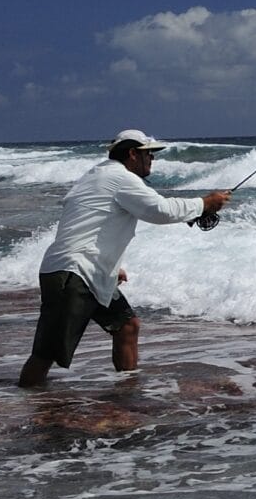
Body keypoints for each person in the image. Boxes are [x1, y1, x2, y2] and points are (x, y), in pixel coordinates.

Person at [19, 130, 231, 388]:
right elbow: (160, 210)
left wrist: (112, 267)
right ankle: (27, 406)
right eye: (148, 154)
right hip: (74, 274)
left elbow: (93, 224)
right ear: (132, 154)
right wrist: (204, 203)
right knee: (46, 353)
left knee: (127, 325)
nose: (152, 159)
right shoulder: (119, 178)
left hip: (88, 272)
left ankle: (127, 392)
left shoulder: (97, 176)